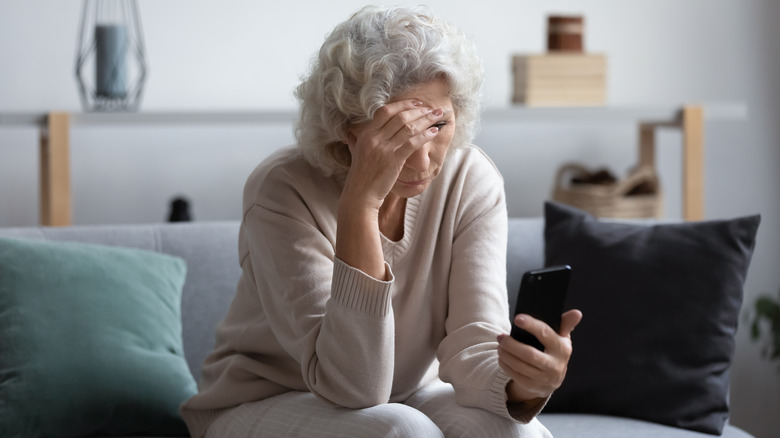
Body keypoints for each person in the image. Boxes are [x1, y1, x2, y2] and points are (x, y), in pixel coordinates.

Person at [180, 5, 582, 437]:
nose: (423, 158)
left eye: (438, 124)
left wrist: (524, 382)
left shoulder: (470, 178)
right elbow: (353, 386)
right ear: (346, 130)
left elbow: (474, 344)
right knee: (401, 431)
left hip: (406, 393)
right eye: (395, 132)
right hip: (263, 399)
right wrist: (361, 204)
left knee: (519, 433)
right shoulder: (281, 189)